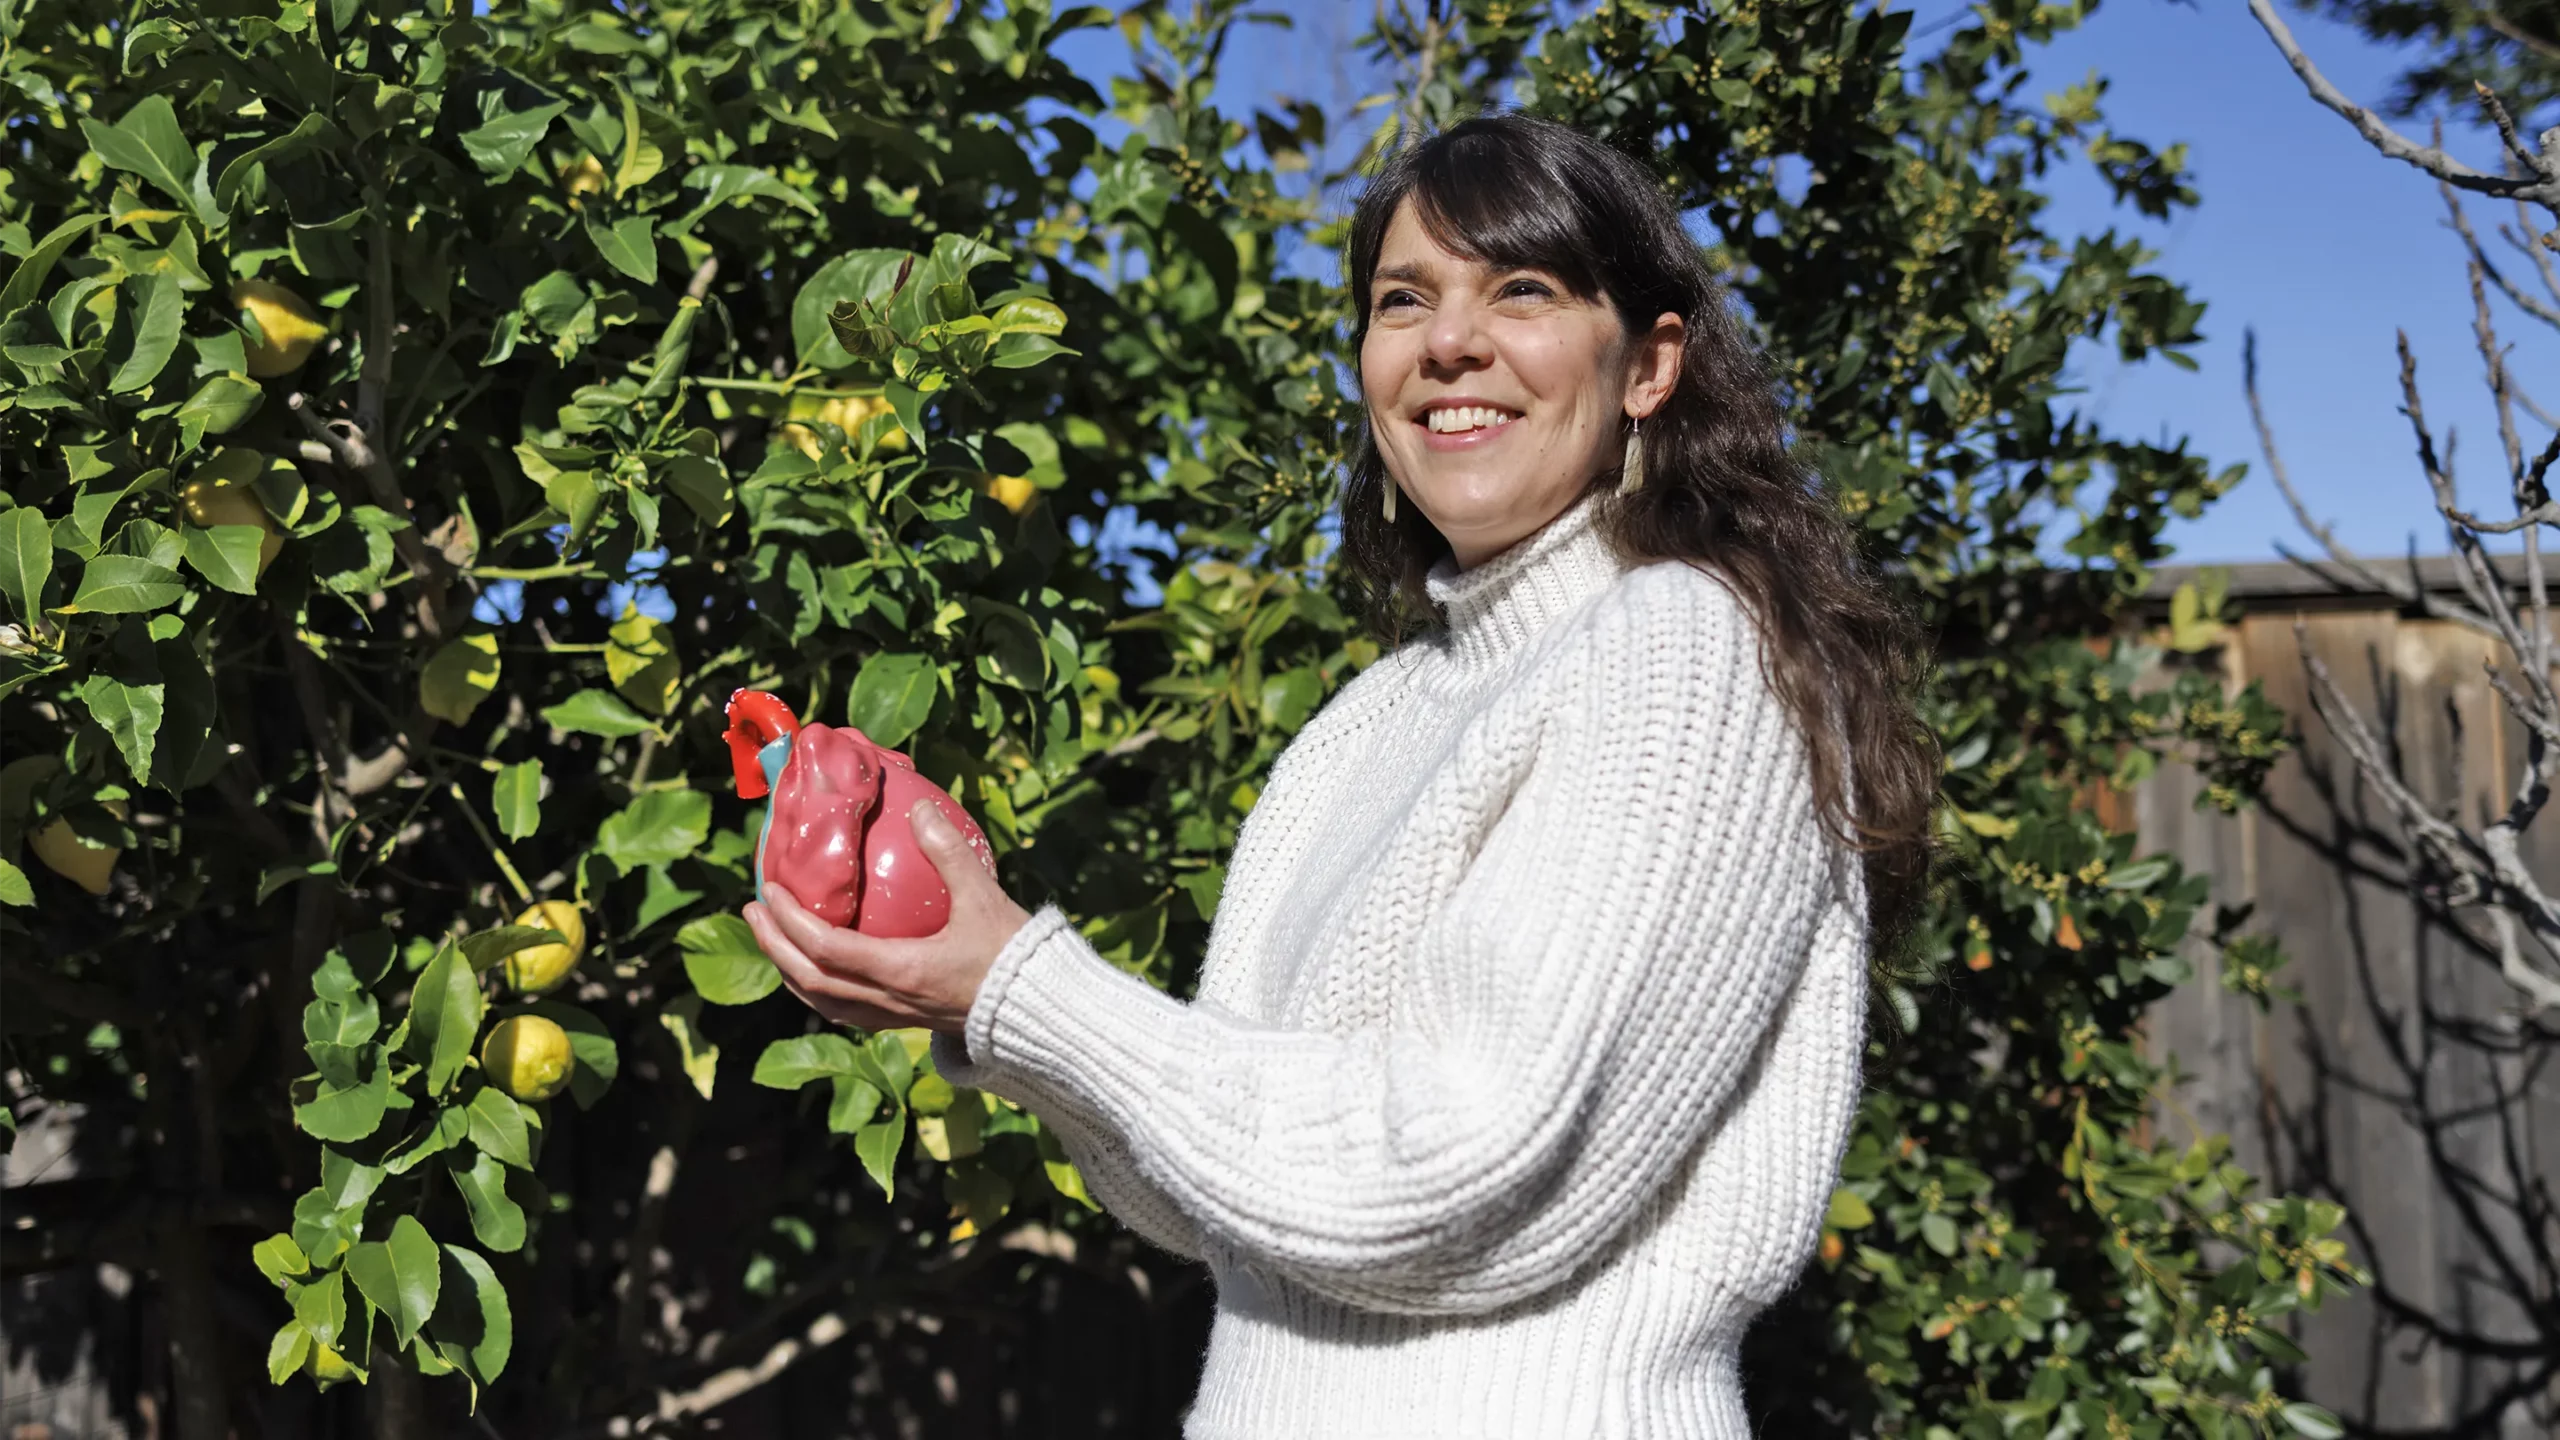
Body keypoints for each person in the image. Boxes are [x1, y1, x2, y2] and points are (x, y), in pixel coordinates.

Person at [743, 112, 1937, 1436]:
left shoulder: (1679, 651)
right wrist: (974, 996)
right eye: (1401, 300)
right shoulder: (1374, 722)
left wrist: (1025, 981)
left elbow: (1449, 1178)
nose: (1447, 344)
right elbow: (1235, 1204)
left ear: (1651, 364)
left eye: (1521, 290)